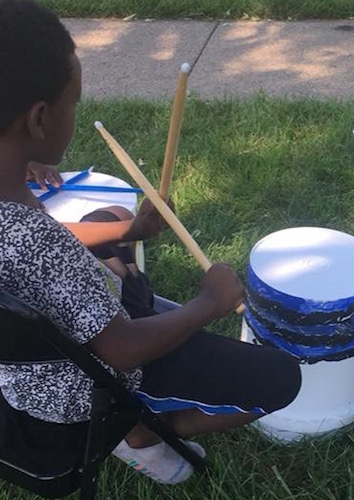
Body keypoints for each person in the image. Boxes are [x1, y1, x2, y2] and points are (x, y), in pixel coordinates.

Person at [0, 0, 301, 485]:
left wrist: (130, 232)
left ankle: (145, 371)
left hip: (23, 363)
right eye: (73, 101)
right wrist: (208, 303)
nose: (75, 112)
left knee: (111, 218)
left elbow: (41, 254)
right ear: (37, 119)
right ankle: (138, 432)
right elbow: (120, 351)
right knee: (281, 378)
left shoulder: (20, 227)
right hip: (79, 387)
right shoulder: (36, 242)